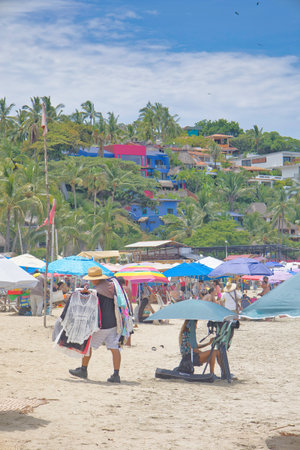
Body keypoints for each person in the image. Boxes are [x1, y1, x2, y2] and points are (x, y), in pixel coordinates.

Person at [69, 267, 122, 383]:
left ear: (97, 279)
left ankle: (83, 369)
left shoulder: (97, 291)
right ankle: (116, 374)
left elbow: (92, 308)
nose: (91, 281)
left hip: (102, 324)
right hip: (114, 323)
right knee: (114, 347)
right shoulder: (112, 287)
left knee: (87, 345)